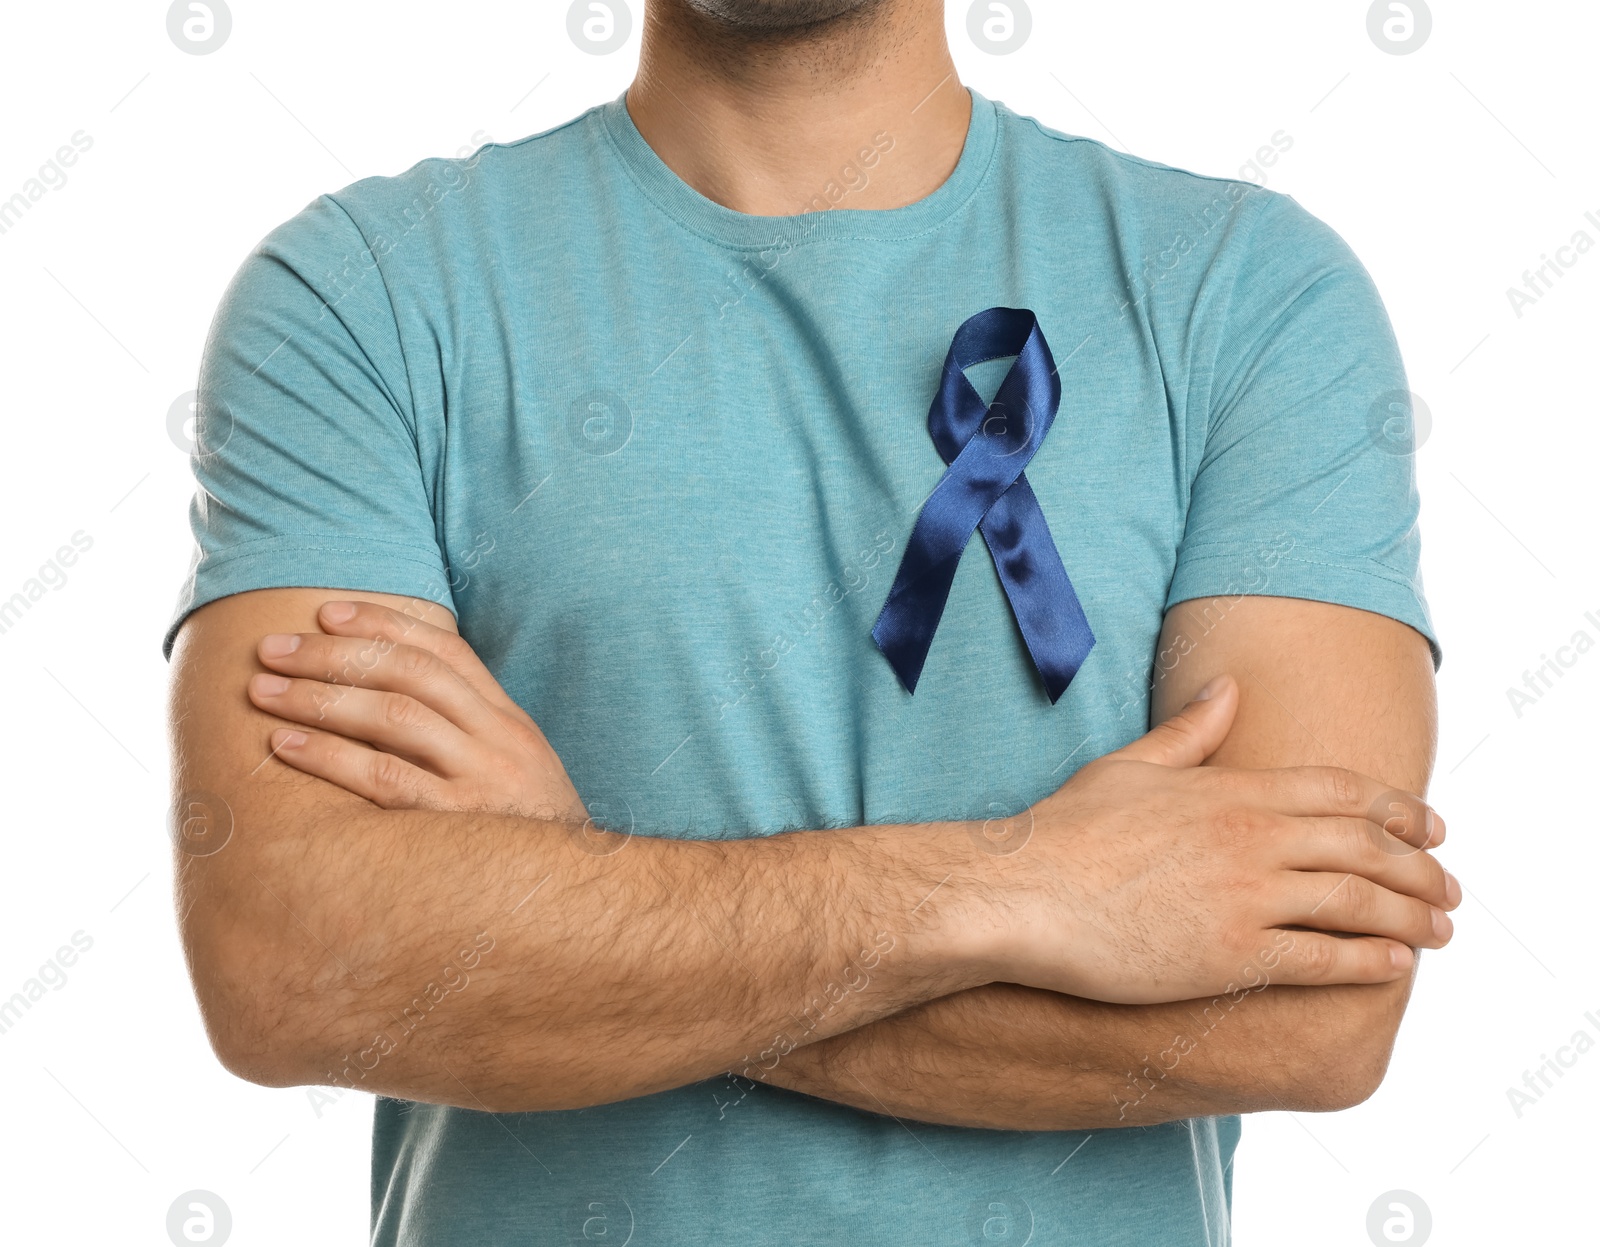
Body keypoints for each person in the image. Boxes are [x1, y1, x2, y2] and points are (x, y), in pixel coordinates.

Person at [165, 1, 1457, 1243]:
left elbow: (1310, 1011)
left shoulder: (1246, 296)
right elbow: (290, 960)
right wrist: (1027, 881)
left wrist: (584, 894)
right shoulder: (363, 300)